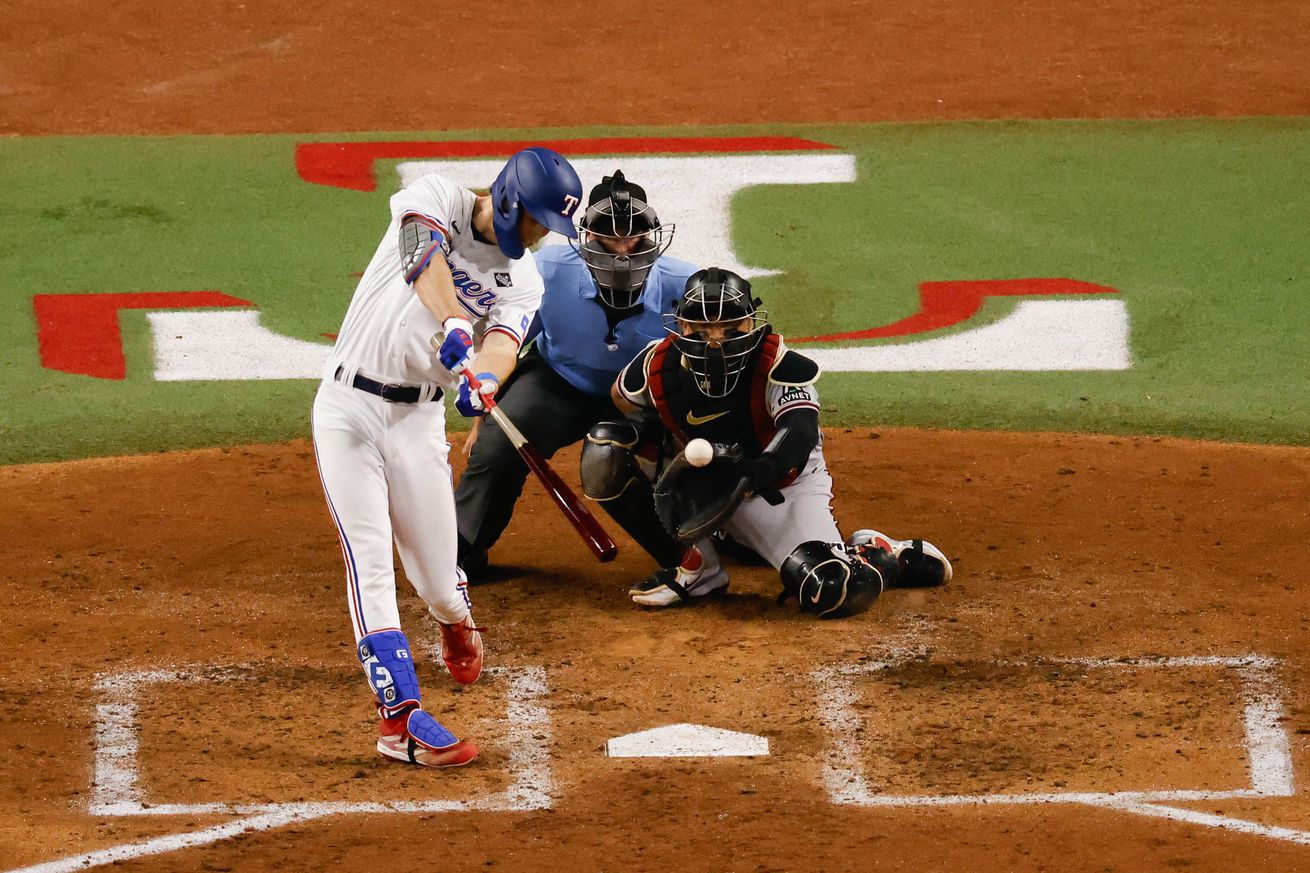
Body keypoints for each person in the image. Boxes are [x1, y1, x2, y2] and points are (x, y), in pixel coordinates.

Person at [312, 146, 582, 767]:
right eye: (540, 221)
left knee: (438, 577)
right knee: (370, 557)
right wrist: (457, 319)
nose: (541, 237)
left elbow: (502, 346)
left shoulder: (526, 280)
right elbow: (420, 258)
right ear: (512, 202)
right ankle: (399, 720)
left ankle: (455, 618)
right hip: (347, 407)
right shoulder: (437, 198)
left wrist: (484, 378)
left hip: (417, 420)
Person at [580, 267, 953, 618]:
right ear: (682, 325)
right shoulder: (654, 367)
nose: (715, 341)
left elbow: (799, 430)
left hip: (778, 489)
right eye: (702, 328)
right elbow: (625, 405)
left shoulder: (777, 365)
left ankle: (878, 554)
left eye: (729, 327)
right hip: (705, 489)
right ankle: (694, 567)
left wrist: (763, 470)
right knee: (605, 450)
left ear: (748, 322)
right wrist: (657, 449)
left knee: (833, 587)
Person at [454, 171, 697, 576]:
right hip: (559, 383)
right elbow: (505, 343)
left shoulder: (686, 286)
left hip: (646, 400)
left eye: (632, 235)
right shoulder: (545, 271)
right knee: (497, 448)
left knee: (689, 453)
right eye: (609, 236)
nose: (621, 248)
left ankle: (706, 544)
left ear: (651, 234)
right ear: (587, 235)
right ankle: (462, 553)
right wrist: (485, 417)